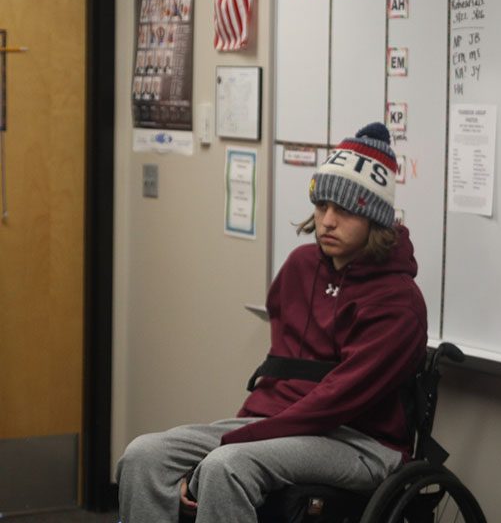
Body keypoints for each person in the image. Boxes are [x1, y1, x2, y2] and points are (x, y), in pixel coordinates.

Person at [117, 122, 427, 523]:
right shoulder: (301, 266)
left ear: (376, 220)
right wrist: (247, 425)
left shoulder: (399, 302)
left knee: (226, 465)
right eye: (321, 207)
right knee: (144, 455)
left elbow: (337, 399)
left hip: (361, 440)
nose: (327, 221)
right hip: (283, 422)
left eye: (345, 211)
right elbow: (280, 370)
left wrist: (237, 441)